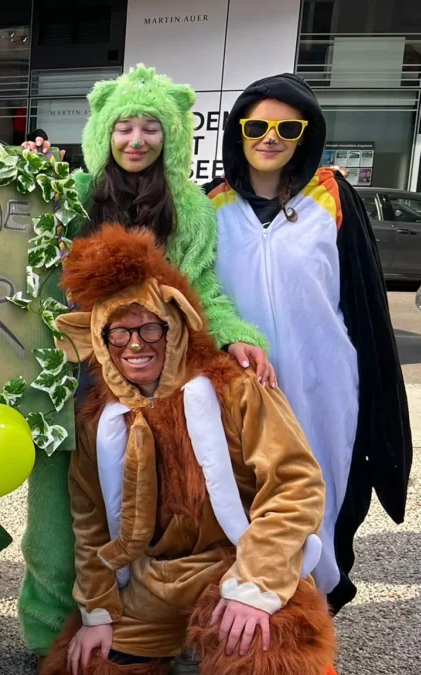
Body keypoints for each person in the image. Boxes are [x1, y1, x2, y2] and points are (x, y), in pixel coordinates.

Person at [15, 65, 273, 656]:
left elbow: (202, 287)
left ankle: (149, 632)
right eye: (123, 127)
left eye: (150, 128)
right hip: (71, 372)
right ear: (103, 130)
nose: (135, 140)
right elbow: (22, 254)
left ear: (173, 134)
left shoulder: (192, 209)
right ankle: (51, 635)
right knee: (60, 514)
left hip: (156, 381)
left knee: (154, 511)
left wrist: (233, 334)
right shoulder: (71, 192)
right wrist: (30, 174)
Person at [41, 224, 335, 675]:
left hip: (235, 560)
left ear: (175, 322)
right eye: (118, 333)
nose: (135, 345)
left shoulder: (234, 387)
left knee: (268, 657)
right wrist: (96, 611)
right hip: (152, 581)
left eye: (149, 329)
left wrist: (256, 584)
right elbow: (92, 525)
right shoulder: (97, 421)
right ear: (98, 339)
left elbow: (295, 485)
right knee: (84, 664)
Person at [206, 73, 411, 612]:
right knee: (240, 492)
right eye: (256, 125)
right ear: (238, 132)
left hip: (324, 383)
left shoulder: (334, 195)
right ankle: (246, 608)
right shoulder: (212, 204)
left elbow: (366, 302)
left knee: (320, 489)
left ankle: (312, 611)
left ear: (305, 133)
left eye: (286, 127)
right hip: (243, 385)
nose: (269, 137)